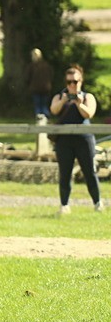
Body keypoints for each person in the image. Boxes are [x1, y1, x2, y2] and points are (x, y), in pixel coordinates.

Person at [49, 64, 103, 214]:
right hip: (64, 141)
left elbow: (89, 114)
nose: (72, 85)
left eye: (75, 81)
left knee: (89, 172)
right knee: (65, 173)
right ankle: (64, 205)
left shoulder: (87, 97)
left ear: (81, 81)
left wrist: (79, 103)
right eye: (69, 82)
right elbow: (53, 110)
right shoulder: (59, 96)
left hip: (84, 140)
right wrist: (64, 101)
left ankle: (97, 203)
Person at [26, 48, 52, 125]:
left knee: (38, 105)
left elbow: (27, 77)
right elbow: (51, 75)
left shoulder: (31, 66)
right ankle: (46, 118)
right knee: (44, 105)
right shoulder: (46, 65)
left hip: (35, 89)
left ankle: (39, 120)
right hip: (46, 88)